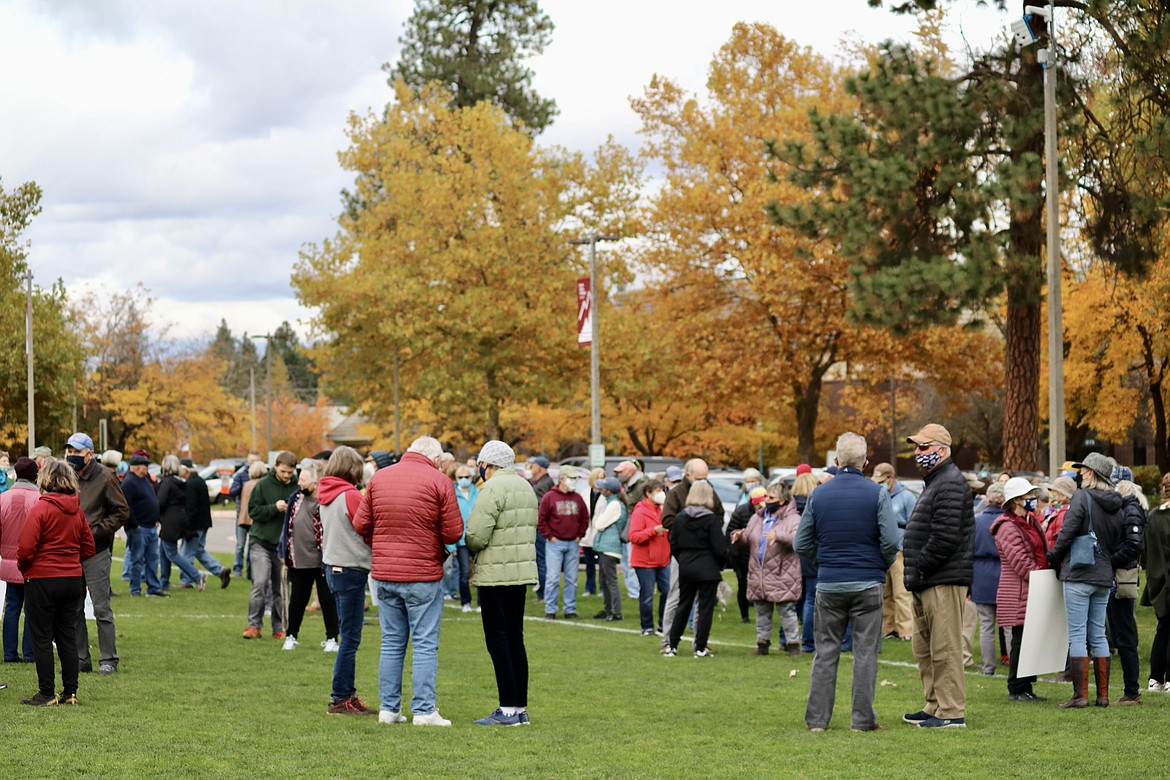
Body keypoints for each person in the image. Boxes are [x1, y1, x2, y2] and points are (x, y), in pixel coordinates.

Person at [353, 436, 463, 726]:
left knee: (391, 642)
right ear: (436, 459)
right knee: (425, 643)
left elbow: (361, 524)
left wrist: (380, 544)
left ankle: (389, 709)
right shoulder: (440, 481)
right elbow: (453, 533)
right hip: (422, 574)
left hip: (385, 573)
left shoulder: (379, 478)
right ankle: (424, 711)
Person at [795, 432, 899, 733]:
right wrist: (880, 564)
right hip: (867, 583)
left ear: (837, 461)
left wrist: (823, 561)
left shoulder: (818, 494)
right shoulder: (877, 494)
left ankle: (817, 720)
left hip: (829, 583)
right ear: (866, 463)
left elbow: (802, 543)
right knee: (865, 653)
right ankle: (862, 720)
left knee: (825, 652)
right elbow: (891, 540)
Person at [901, 423, 974, 729]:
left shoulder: (950, 483)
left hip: (941, 579)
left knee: (945, 648)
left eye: (923, 447)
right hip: (927, 579)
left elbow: (945, 538)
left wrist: (920, 565)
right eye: (917, 447)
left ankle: (951, 711)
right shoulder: (937, 482)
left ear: (941, 451)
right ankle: (935, 705)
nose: (918, 453)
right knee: (926, 648)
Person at [465, 440, 539, 726]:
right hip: (519, 572)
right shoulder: (525, 487)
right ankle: (519, 707)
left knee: (498, 640)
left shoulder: (492, 488)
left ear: (489, 464)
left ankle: (507, 708)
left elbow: (476, 535)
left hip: (496, 574)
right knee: (515, 638)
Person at [1047, 452, 1128, 708]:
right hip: (1103, 575)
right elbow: (1118, 541)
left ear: (1091, 473)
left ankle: (1080, 696)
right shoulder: (1118, 503)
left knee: (1078, 634)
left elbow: (1068, 533)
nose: (1079, 475)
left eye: (1082, 471)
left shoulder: (1082, 497)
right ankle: (1102, 696)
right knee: (1099, 635)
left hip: (1080, 573)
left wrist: (1052, 557)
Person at [16, 457, 96, 705]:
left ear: (45, 479)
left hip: (42, 579)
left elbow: (26, 547)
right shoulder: (77, 510)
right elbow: (89, 546)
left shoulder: (41, 508)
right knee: (66, 636)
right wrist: (70, 561)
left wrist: (25, 567)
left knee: (41, 636)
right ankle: (70, 692)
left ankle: (47, 692)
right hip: (71, 579)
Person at [319, 446, 375, 715]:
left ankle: (346, 693)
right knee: (351, 639)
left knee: (347, 635)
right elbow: (366, 528)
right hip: (351, 567)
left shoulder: (325, 494)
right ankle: (341, 696)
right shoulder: (350, 495)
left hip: (333, 565)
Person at [66, 432, 128, 675]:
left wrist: (99, 532)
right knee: (73, 608)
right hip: (70, 551)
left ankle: (109, 659)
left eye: (77, 452)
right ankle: (81, 658)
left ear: (90, 454)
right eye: (69, 451)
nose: (72, 456)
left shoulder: (105, 476)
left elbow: (121, 511)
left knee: (101, 607)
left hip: (96, 551)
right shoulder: (66, 475)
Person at [990, 478, 1048, 702]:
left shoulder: (1030, 521)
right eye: (1028, 496)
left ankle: (1026, 686)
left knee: (1029, 638)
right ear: (1016, 500)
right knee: (1020, 638)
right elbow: (1021, 562)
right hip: (1018, 590)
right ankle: (1016, 687)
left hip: (1033, 586)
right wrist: (1040, 576)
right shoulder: (1007, 526)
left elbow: (1041, 550)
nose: (1032, 499)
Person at [660, 459, 724, 648]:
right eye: (699, 478)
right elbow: (667, 520)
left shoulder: (709, 490)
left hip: (704, 553)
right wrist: (689, 529)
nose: (703, 481)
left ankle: (700, 640)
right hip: (685, 553)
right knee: (676, 597)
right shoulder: (676, 493)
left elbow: (719, 514)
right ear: (688, 475)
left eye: (705, 478)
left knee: (702, 603)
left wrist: (709, 532)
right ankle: (668, 639)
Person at [733, 481, 802, 656]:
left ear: (782, 501)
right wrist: (739, 537)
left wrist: (779, 536)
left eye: (771, 498)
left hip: (783, 572)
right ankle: (762, 644)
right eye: (766, 497)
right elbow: (748, 537)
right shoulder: (758, 518)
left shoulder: (793, 519)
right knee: (761, 610)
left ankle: (793, 645)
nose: (766, 501)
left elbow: (798, 540)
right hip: (759, 572)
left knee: (787, 611)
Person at [278, 459, 338, 652]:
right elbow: (286, 528)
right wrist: (283, 552)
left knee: (327, 600)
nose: (299, 483)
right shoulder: (295, 498)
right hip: (299, 560)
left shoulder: (327, 501)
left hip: (323, 561)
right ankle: (291, 636)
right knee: (297, 600)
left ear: (316, 482)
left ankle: (332, 639)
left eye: (303, 480)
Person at [244, 451, 297, 639]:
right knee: (259, 583)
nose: (286, 476)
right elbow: (253, 511)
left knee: (280, 589)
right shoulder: (263, 485)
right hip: (261, 542)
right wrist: (274, 508)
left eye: (290, 473)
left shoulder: (298, 486)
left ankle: (280, 627)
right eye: (283, 471)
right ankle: (253, 626)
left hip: (283, 546)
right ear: (275, 467)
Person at [1110, 474, 1147, 705]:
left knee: (1124, 634)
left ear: (1123, 486)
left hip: (1122, 575)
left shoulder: (1130, 509)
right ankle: (1130, 689)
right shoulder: (1131, 507)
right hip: (1123, 573)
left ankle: (1131, 690)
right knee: (1122, 633)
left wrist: (1111, 560)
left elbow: (1134, 544)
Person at [871, 462, 916, 641]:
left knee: (901, 592)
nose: (879, 483)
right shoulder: (878, 495)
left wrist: (906, 548)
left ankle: (906, 630)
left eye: (882, 480)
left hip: (899, 551)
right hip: (882, 550)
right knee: (886, 593)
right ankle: (890, 628)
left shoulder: (907, 497)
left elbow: (913, 524)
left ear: (891, 478)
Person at [1, 456, 40, 662]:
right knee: (31, 608)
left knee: (12, 606)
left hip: (8, 560)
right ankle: (29, 653)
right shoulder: (39, 499)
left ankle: (9, 653)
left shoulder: (3, 498)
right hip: (32, 560)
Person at [537, 466, 588, 619]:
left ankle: (570, 609)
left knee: (572, 580)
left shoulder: (577, 498)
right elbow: (542, 520)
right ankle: (550, 609)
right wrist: (550, 536)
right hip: (555, 544)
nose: (574, 481)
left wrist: (579, 535)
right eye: (571, 478)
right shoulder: (549, 497)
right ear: (561, 479)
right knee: (552, 578)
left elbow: (585, 518)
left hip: (573, 543)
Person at [157, 455, 208, 592]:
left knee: (172, 553)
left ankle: (197, 576)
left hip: (170, 520)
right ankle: (164, 582)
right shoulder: (180, 481)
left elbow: (160, 502)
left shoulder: (167, 482)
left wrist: (155, 514)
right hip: (179, 518)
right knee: (163, 551)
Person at [628, 478, 671, 637]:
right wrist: (653, 530)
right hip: (644, 561)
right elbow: (634, 536)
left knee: (667, 591)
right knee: (647, 595)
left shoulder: (663, 509)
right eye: (657, 491)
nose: (661, 494)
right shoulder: (640, 511)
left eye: (662, 490)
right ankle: (647, 627)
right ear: (648, 493)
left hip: (663, 558)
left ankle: (662, 625)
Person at [180, 459, 230, 589]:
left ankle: (187, 580)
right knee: (199, 551)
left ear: (185, 470)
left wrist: (188, 526)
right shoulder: (200, 481)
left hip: (195, 524)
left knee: (187, 553)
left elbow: (191, 507)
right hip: (204, 522)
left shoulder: (190, 484)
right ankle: (219, 570)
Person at [971, 481, 1005, 676]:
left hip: (981, 575)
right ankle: (1015, 666)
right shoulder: (1008, 521)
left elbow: (968, 550)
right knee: (1009, 625)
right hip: (1004, 574)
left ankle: (988, 667)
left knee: (986, 625)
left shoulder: (977, 521)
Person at [121, 453, 165, 598]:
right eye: (144, 465)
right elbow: (126, 505)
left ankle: (153, 587)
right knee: (137, 559)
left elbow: (152, 498)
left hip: (151, 526)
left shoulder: (145, 480)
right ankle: (135, 589)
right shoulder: (129, 482)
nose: (147, 468)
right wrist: (134, 524)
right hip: (139, 528)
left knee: (153, 558)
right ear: (136, 466)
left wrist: (156, 517)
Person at [1142, 473, 1170, 693]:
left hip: (1157, 580)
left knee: (1163, 629)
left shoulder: (1153, 516)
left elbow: (1146, 551)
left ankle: (1155, 679)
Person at [725, 487, 766, 625]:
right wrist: (738, 539)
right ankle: (744, 616)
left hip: (761, 556)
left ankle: (762, 614)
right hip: (742, 557)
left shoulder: (769, 513)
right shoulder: (741, 511)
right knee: (743, 586)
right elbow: (730, 532)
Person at [792, 470, 822, 653]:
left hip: (792, 559)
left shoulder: (788, 506)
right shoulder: (815, 505)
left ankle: (792, 638)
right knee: (812, 599)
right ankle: (810, 641)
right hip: (811, 557)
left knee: (795, 600)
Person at [591, 477, 627, 622]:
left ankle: (616, 611)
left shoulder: (614, 505)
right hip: (604, 547)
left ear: (609, 490)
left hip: (609, 547)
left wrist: (599, 522)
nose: (601, 490)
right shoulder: (611, 502)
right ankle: (608, 609)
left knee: (610, 580)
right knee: (604, 580)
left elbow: (599, 524)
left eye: (603, 488)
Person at [229, 452, 263, 577]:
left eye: (255, 461)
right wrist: (242, 488)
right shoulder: (241, 475)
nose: (252, 463)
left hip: (255, 516)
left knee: (252, 545)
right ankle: (237, 569)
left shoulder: (263, 478)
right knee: (240, 544)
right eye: (250, 460)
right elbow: (232, 492)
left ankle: (250, 570)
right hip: (242, 514)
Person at [449, 464, 478, 612]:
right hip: (460, 540)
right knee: (464, 572)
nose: (464, 480)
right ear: (456, 478)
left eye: (467, 477)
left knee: (480, 572)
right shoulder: (452, 495)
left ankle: (481, 603)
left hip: (477, 538)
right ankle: (466, 602)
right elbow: (449, 520)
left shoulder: (478, 493)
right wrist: (451, 545)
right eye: (461, 477)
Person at [527, 456, 554, 602]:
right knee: (539, 560)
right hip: (537, 526)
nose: (531, 469)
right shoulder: (538, 482)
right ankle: (542, 591)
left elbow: (542, 505)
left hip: (541, 527)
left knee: (542, 560)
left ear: (540, 467)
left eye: (533, 466)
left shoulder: (545, 483)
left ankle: (543, 593)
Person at [1043, 476, 1077, 548]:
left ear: (1062, 493)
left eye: (1055, 491)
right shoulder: (1060, 510)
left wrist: (1052, 555)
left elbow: (1061, 541)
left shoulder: (1064, 513)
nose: (1052, 494)